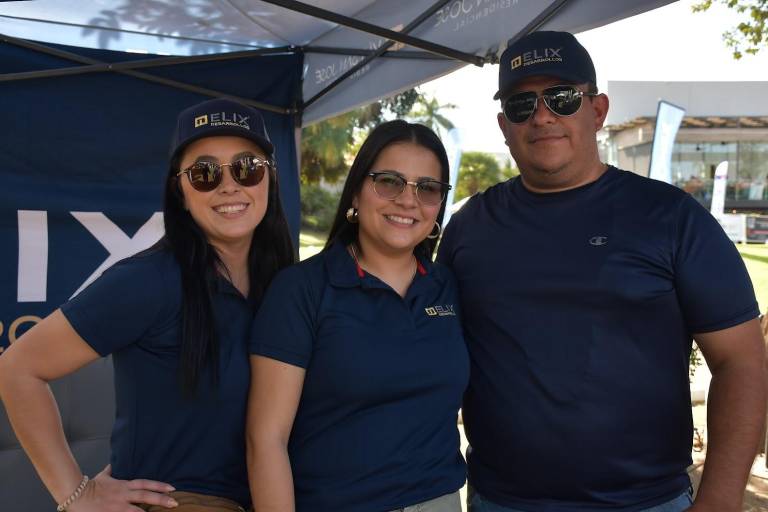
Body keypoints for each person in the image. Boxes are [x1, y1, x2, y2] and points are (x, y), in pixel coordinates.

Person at [437, 30, 768, 512]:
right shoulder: (469, 227)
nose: (543, 115)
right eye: (521, 104)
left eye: (562, 97)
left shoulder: (671, 218)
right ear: (504, 125)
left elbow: (742, 361)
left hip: (647, 502)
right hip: (502, 501)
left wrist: (719, 497)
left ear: (597, 110)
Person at [0, 98, 294, 511]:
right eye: (205, 173)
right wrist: (76, 495)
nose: (230, 186)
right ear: (181, 190)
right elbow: (17, 368)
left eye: (248, 168)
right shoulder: (150, 280)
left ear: (271, 179)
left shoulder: (283, 283)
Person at [246, 120, 468, 512]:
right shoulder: (302, 289)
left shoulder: (447, 286)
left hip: (441, 501)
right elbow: (265, 440)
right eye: (389, 181)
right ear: (356, 192)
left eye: (428, 188)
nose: (407, 200)